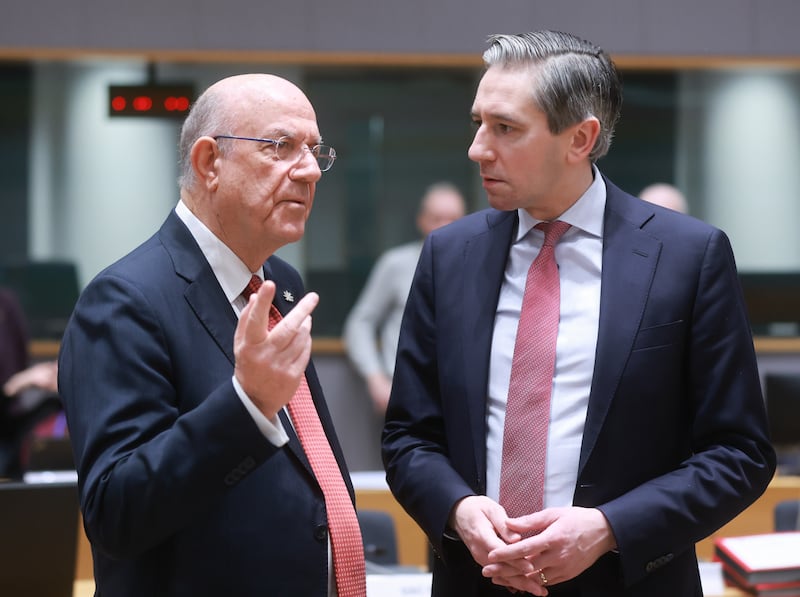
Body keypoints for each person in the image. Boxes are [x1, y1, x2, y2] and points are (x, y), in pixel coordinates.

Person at [382, 30, 775, 597]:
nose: (477, 149)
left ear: (580, 139)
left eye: (505, 128)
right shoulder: (450, 255)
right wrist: (459, 509)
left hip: (628, 581)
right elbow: (408, 436)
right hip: (476, 579)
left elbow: (740, 453)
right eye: (478, 123)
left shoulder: (687, 256)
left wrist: (609, 528)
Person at [58, 74, 367, 597]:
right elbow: (116, 514)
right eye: (281, 146)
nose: (311, 169)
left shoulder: (279, 284)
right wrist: (246, 406)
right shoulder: (124, 301)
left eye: (315, 150)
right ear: (209, 163)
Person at [343, 182, 466, 413]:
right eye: (437, 218)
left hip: (458, 398)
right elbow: (360, 323)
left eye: (453, 218)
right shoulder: (395, 264)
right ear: (421, 220)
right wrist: (375, 377)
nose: (445, 226)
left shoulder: (477, 266)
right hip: (406, 395)